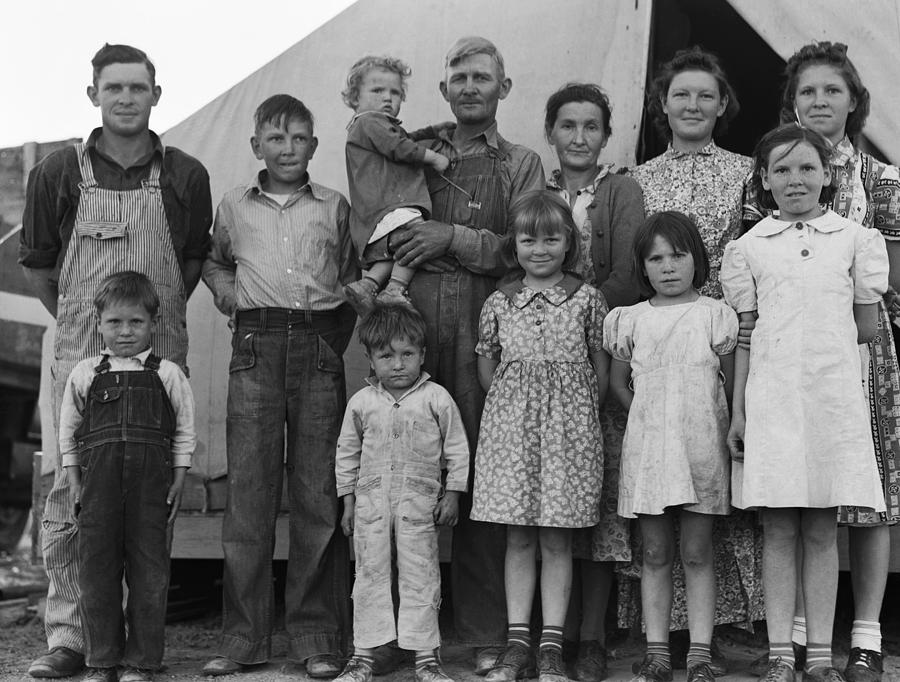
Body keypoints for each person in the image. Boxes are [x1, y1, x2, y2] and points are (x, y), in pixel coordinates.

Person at [19, 43, 212, 680]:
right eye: (114, 88)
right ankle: (70, 639)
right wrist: (82, 324)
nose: (126, 98)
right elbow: (45, 272)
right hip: (80, 358)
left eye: (138, 87)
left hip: (157, 366)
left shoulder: (185, 174)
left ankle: (137, 648)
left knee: (147, 500)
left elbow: (184, 270)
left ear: (157, 94)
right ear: (93, 95)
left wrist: (145, 336)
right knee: (70, 496)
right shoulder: (56, 173)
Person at [380, 36, 545, 675]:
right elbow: (377, 215)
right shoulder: (413, 150)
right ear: (443, 88)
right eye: (458, 77)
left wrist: (452, 235)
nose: (469, 86)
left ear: (503, 88)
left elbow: (524, 246)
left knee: (479, 471)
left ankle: (483, 629)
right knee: (406, 466)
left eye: (482, 77)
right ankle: (401, 628)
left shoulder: (521, 164)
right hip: (414, 316)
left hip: (485, 319)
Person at [744, 42, 900, 682]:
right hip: (785, 351)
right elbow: (751, 267)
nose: (819, 102)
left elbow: (888, 279)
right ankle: (799, 637)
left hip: (859, 347)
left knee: (868, 494)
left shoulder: (883, 180)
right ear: (792, 103)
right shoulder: (774, 169)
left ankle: (864, 634)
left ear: (854, 100)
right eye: (807, 92)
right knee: (795, 491)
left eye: (831, 90)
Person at [201, 94, 357, 678]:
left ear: (314, 147)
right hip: (255, 351)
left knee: (318, 495)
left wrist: (326, 342)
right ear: (256, 146)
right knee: (250, 497)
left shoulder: (334, 206)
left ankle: (316, 636)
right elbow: (214, 262)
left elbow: (349, 277)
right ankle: (244, 639)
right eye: (275, 138)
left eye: (298, 139)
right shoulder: (235, 207)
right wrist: (229, 295)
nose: (287, 148)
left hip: (316, 349)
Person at [626, 46, 759, 666]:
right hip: (656, 342)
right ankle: (660, 638)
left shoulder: (745, 171)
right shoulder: (639, 179)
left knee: (713, 493)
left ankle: (725, 629)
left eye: (707, 94)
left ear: (723, 104)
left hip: (719, 335)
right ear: (662, 104)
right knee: (661, 500)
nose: (693, 104)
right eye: (681, 94)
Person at [471, 190, 608, 682]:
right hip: (513, 435)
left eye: (551, 239)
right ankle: (517, 644)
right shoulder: (499, 302)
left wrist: (568, 410)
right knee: (518, 539)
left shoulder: (587, 298)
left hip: (569, 436)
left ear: (568, 243)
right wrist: (520, 404)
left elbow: (599, 362)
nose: (540, 249)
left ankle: (551, 645)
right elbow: (488, 366)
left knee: (556, 540)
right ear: (516, 244)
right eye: (529, 239)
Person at [605, 211, 737, 682]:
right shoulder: (629, 320)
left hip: (702, 448)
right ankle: (658, 653)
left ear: (696, 260)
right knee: (656, 553)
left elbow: (730, 385)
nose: (668, 267)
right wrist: (648, 417)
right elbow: (618, 384)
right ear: (643, 267)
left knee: (698, 552)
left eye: (678, 255)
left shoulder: (716, 316)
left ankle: (700, 654)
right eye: (656, 258)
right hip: (650, 452)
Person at [543, 82, 644, 682]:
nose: (579, 137)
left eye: (591, 127)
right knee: (551, 495)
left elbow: (628, 276)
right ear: (551, 132)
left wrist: (570, 310)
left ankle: (590, 637)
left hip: (601, 355)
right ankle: (544, 633)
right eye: (567, 126)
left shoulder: (621, 190)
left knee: (599, 497)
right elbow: (516, 258)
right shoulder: (537, 191)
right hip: (544, 369)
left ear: (606, 135)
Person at [58, 271, 195, 682]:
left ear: (153, 323)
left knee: (149, 575)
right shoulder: (85, 373)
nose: (125, 331)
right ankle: (101, 660)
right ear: (98, 323)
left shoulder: (167, 373)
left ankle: (140, 662)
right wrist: (75, 481)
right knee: (97, 575)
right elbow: (68, 431)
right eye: (114, 322)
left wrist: (179, 478)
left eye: (135, 322)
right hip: (97, 488)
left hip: (150, 488)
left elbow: (185, 431)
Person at [333, 304, 470, 682]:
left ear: (422, 355)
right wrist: (348, 502)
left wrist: (453, 494)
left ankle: (426, 657)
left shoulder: (435, 398)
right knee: (369, 574)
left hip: (418, 504)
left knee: (421, 574)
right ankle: (364, 656)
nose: (398, 365)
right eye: (386, 356)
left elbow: (457, 449)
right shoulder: (361, 403)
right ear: (371, 360)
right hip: (370, 504)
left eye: (407, 354)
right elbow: (347, 453)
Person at [340, 56, 451, 313]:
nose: (388, 98)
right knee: (416, 239)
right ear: (355, 98)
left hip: (377, 210)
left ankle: (368, 284)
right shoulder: (369, 122)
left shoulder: (370, 126)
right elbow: (398, 147)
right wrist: (433, 157)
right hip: (392, 204)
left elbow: (401, 138)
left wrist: (430, 131)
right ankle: (394, 289)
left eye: (395, 92)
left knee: (395, 251)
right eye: (378, 90)